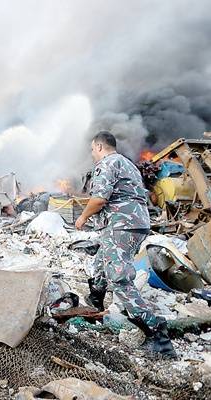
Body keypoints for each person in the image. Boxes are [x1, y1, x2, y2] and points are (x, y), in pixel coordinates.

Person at [75, 131, 176, 357]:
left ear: (99, 147)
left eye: (92, 150)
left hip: (121, 225)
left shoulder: (106, 163)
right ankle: (95, 303)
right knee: (101, 264)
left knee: (118, 277)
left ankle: (157, 333)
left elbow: (99, 199)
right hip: (135, 223)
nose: (92, 154)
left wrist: (82, 217)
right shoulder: (128, 164)